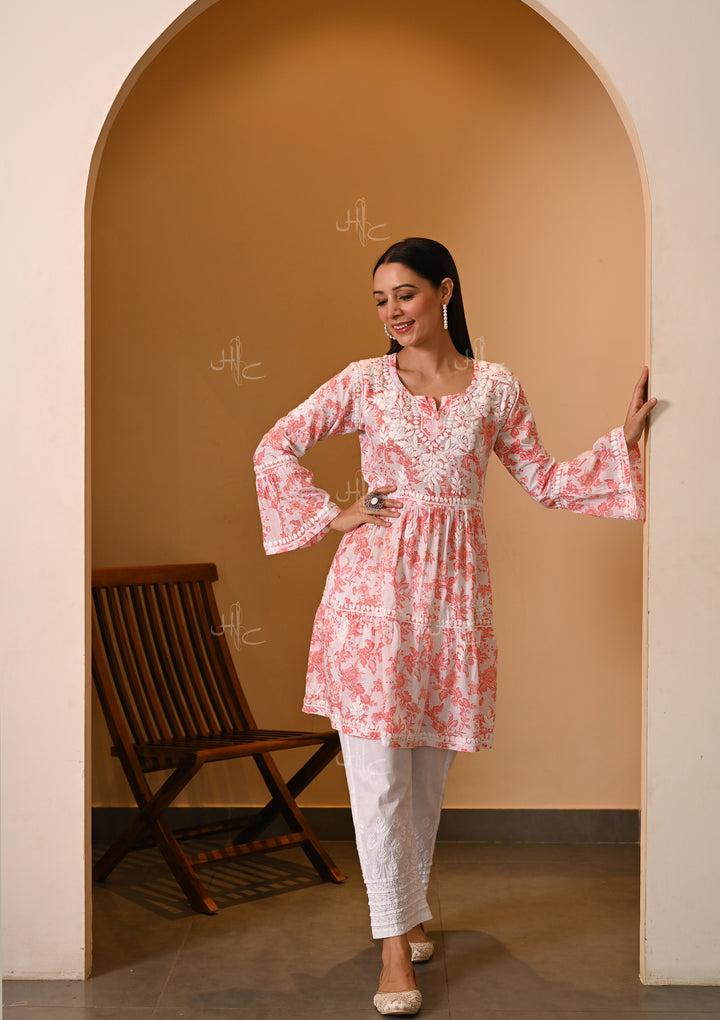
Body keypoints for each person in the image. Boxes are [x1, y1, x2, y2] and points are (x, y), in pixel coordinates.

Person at [253, 237, 655, 1017]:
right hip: (372, 598)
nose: (392, 312)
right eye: (380, 300)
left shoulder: (495, 387)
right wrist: (334, 515)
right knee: (378, 779)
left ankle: (410, 910)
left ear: (444, 291)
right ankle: (392, 945)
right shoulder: (365, 382)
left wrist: (625, 439)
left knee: (427, 777)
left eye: (404, 294)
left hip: (453, 601)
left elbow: (544, 479)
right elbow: (278, 445)